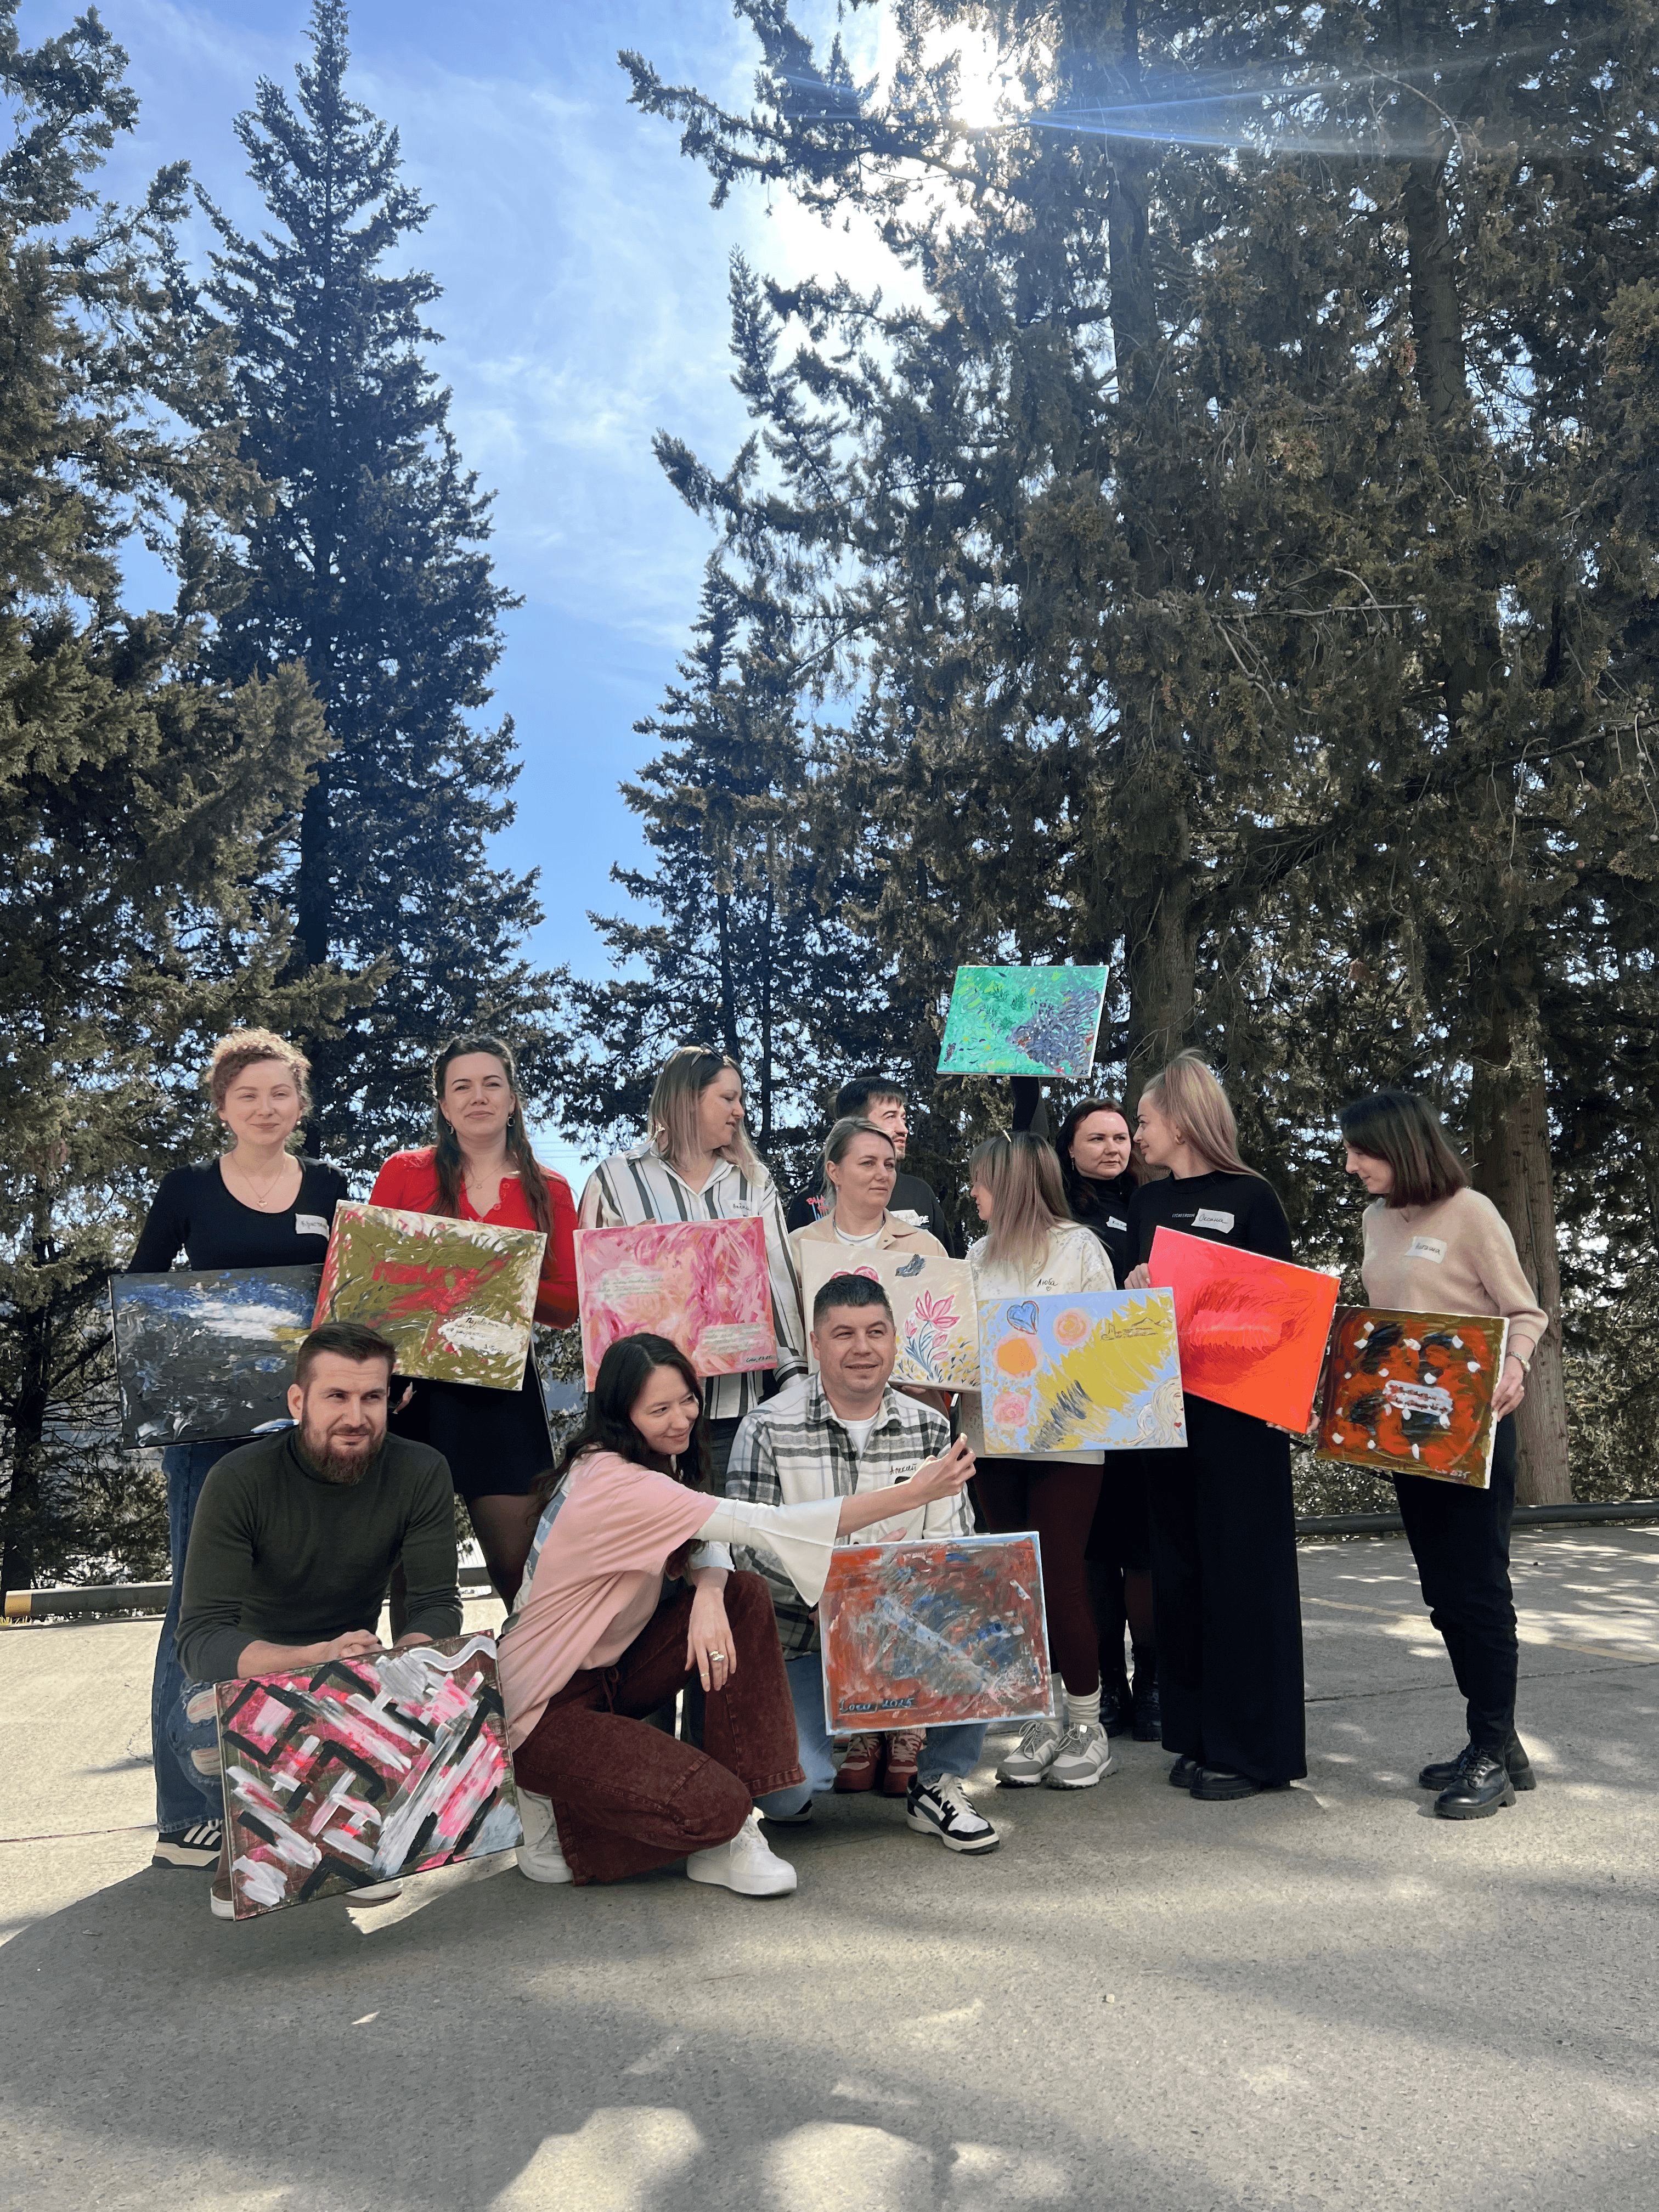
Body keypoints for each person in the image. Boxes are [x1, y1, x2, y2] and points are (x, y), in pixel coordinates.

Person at [499, 1332, 975, 1892]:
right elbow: (767, 1525)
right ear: (621, 1415)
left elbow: (705, 1536)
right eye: (659, 1409)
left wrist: (706, 1594)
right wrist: (911, 1495)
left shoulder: (644, 1464)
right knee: (713, 1809)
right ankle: (563, 1812)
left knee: (739, 1594)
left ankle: (735, 1823)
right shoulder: (616, 1483)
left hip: (607, 1679)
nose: (681, 1420)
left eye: (687, 1400)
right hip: (545, 1713)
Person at [128, 1028, 349, 1874]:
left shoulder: (329, 1188)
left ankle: (298, 1794)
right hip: (207, 1439)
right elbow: (143, 1300)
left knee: (304, 1599)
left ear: (300, 1103)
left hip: (307, 1439)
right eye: (247, 1094)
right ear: (222, 1105)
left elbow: (348, 1296)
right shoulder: (186, 1189)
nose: (265, 1108)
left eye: (280, 1093)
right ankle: (185, 1810)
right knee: (200, 1609)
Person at [172, 1322, 462, 1918]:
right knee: (200, 1736)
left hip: (356, 1669)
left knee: (451, 1684)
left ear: (391, 1400)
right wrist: (308, 1660)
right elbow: (201, 1640)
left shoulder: (422, 1471)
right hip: (256, 1670)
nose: (356, 1416)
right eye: (337, 1397)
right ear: (298, 1401)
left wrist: (399, 1664)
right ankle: (269, 1823)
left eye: (372, 1398)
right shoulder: (240, 1481)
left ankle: (342, 1827)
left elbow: (437, 1603)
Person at [726, 1273, 997, 1850]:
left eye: (876, 1332)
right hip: (803, 1642)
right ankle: (823, 1756)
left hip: (905, 1635)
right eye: (843, 1334)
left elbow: (956, 1544)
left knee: (989, 1603)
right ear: (815, 1346)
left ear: (894, 1340)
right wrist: (841, 1595)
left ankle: (940, 1782)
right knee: (790, 1793)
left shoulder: (928, 1425)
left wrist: (900, 1606)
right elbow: (749, 1552)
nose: (862, 1348)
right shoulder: (767, 1427)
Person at [1340, 1090, 1549, 1819]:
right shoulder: (1375, 1219)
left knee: (1478, 1589)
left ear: (1401, 1147)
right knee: (1441, 1594)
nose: (1350, 1165)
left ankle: (1490, 1753)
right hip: (1407, 1431)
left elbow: (1524, 1309)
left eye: (1361, 1152)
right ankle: (1498, 1740)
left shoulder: (1471, 1212)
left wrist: (1516, 1364)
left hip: (1476, 1422)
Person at [1124, 1051, 1306, 1801]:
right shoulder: (1144, 1207)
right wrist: (1136, 1288)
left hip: (1240, 1421)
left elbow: (1284, 1315)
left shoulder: (1252, 1197)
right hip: (1169, 1418)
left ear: (1181, 1118)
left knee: (1243, 1580)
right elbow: (1136, 1319)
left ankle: (1254, 1753)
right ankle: (1199, 1736)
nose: (1136, 1135)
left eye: (1143, 1120)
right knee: (1183, 1576)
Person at [371, 1033, 578, 1614]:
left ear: (513, 1099)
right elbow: (370, 1280)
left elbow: (567, 1306)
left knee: (522, 1574)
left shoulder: (552, 1190)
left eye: (492, 1084)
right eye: (462, 1086)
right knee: (416, 1575)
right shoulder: (403, 1174)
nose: (478, 1097)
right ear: (443, 1104)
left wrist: (499, 1275)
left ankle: (544, 1698)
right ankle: (423, 1703)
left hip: (503, 1393)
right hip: (414, 1391)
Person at [962, 1132, 1118, 1790]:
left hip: (1067, 1444)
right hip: (990, 1442)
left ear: (1013, 1184)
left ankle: (1088, 1722)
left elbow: (1107, 1348)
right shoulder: (974, 1255)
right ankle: (1043, 1721)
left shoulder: (1081, 1249)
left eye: (981, 1181)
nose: (972, 1193)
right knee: (1015, 1588)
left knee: (1060, 1577)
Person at [579, 1046, 805, 1485]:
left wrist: (794, 1384)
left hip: (735, 1413)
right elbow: (593, 1307)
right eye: (728, 1098)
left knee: (730, 1543)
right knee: (654, 1549)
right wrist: (633, 1260)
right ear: (686, 1099)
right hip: (641, 1421)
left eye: (741, 1100)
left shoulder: (753, 1180)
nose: (740, 1111)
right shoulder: (614, 1179)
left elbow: (779, 1288)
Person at [1057, 1098, 1158, 1741]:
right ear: (1068, 1147)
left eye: (1122, 1136)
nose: (1114, 1147)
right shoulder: (1059, 1212)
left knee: (1143, 1552)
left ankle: (1151, 1684)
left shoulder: (1152, 1205)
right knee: (1091, 1555)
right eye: (1097, 1137)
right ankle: (1108, 1688)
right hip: (1076, 1396)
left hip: (1143, 1391)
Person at [786, 1073, 955, 1251]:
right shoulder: (810, 1203)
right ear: (856, 1123)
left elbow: (947, 1271)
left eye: (903, 1118)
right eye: (891, 1117)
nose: (903, 1129)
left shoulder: (919, 1193)